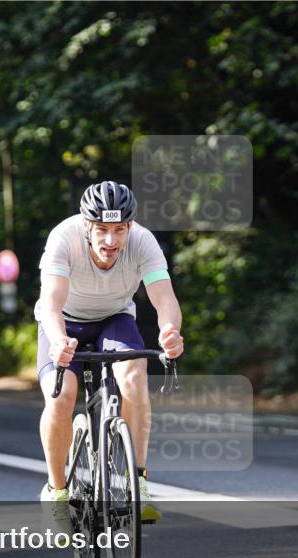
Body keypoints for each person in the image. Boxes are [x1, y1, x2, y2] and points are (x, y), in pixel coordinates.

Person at [36, 181, 184, 526]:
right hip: (63, 322)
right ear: (86, 225)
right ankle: (57, 492)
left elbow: (165, 299)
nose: (111, 240)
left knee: (134, 376)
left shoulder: (143, 242)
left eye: (119, 230)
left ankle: (138, 481)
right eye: (102, 230)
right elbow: (52, 303)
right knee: (61, 397)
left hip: (114, 320)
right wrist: (58, 341)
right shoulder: (63, 237)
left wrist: (171, 332)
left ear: (130, 226)